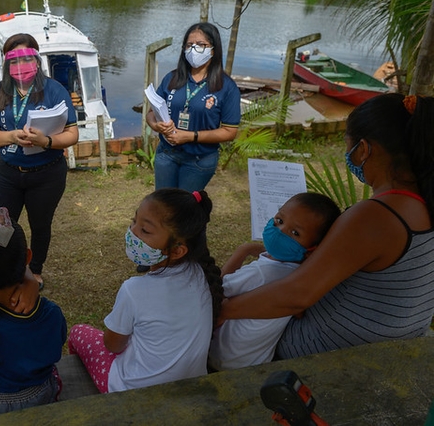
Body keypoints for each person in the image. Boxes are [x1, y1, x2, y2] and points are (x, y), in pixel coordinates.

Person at [220, 93, 434, 359]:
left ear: (364, 149)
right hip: (390, 344)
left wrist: (225, 311)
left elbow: (297, 295)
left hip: (327, 353)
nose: (348, 154)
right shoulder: (423, 200)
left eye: (349, 146)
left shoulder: (375, 216)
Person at [68, 189, 223, 393]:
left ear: (177, 250)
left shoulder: (134, 290)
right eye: (134, 221)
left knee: (78, 332)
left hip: (135, 389)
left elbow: (113, 345)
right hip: (191, 381)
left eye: (145, 231)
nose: (132, 232)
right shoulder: (200, 273)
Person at [0, 33, 79, 290]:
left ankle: (34, 270)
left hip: (47, 174)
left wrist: (45, 141)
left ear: (37, 59)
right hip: (8, 173)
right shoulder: (0, 91)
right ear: (6, 63)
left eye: (27, 58)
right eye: (14, 60)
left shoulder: (54, 90)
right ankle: (3, 268)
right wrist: (10, 136)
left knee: (40, 224)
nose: (21, 66)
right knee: (1, 224)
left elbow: (72, 134)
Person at [209, 193, 340, 371]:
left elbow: (216, 291)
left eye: (295, 233)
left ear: (312, 248)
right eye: (279, 220)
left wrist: (243, 251)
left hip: (221, 360)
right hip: (255, 362)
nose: (280, 231)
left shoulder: (261, 273)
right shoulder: (300, 276)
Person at [0, 207, 66, 420]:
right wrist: (31, 280)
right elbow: (54, 351)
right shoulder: (48, 314)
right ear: (28, 257)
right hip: (37, 399)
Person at [146, 22, 241, 192]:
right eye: (190, 45)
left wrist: (190, 136)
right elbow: (151, 113)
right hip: (167, 154)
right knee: (162, 205)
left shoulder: (226, 87)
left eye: (201, 45)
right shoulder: (172, 78)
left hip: (200, 159)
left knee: (185, 209)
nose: (194, 49)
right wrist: (156, 125)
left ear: (213, 49)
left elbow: (229, 132)